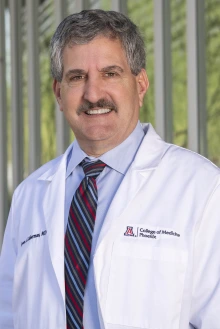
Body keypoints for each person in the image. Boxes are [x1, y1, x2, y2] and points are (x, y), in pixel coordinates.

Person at [0, 9, 219, 329]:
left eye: (110, 73)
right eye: (77, 77)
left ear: (140, 84)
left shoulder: (202, 188)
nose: (93, 94)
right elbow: (8, 315)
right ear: (59, 93)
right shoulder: (29, 195)